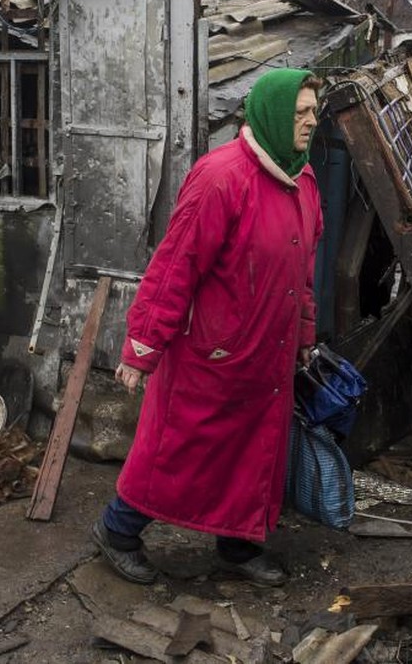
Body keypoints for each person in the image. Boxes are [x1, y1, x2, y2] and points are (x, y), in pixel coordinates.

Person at [90, 68, 324, 587]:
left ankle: (237, 547)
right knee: (177, 449)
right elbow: (177, 265)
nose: (310, 121)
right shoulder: (222, 177)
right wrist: (142, 345)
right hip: (214, 354)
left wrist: (304, 337)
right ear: (270, 114)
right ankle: (118, 530)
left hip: (270, 353)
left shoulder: (302, 180)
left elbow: (303, 271)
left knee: (254, 451)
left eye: (313, 111)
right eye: (300, 112)